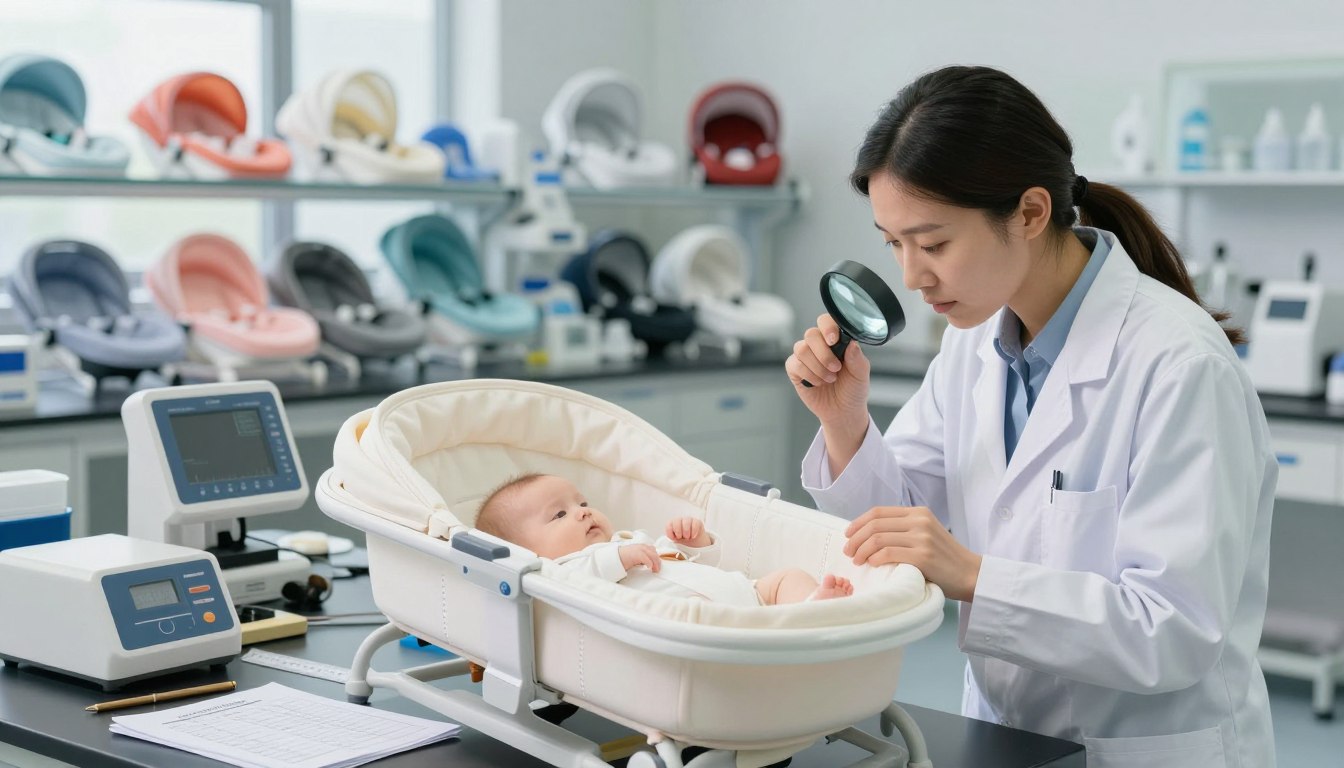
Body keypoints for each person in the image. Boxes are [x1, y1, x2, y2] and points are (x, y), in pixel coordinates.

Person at [786, 66, 1275, 768]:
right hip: (1005, 738)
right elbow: (899, 526)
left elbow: (1174, 630)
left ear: (1030, 213)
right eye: (893, 244)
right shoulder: (973, 345)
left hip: (1146, 751)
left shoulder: (1179, 365)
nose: (912, 276)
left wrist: (975, 577)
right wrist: (844, 424)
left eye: (933, 243)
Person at [475, 473, 853, 605]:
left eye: (583, 502)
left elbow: (686, 565)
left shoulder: (630, 540)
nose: (583, 512)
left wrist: (693, 543)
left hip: (746, 594)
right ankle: (794, 624)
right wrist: (620, 559)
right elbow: (582, 580)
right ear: (529, 551)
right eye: (559, 514)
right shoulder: (558, 573)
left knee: (784, 578)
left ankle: (808, 607)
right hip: (698, 621)